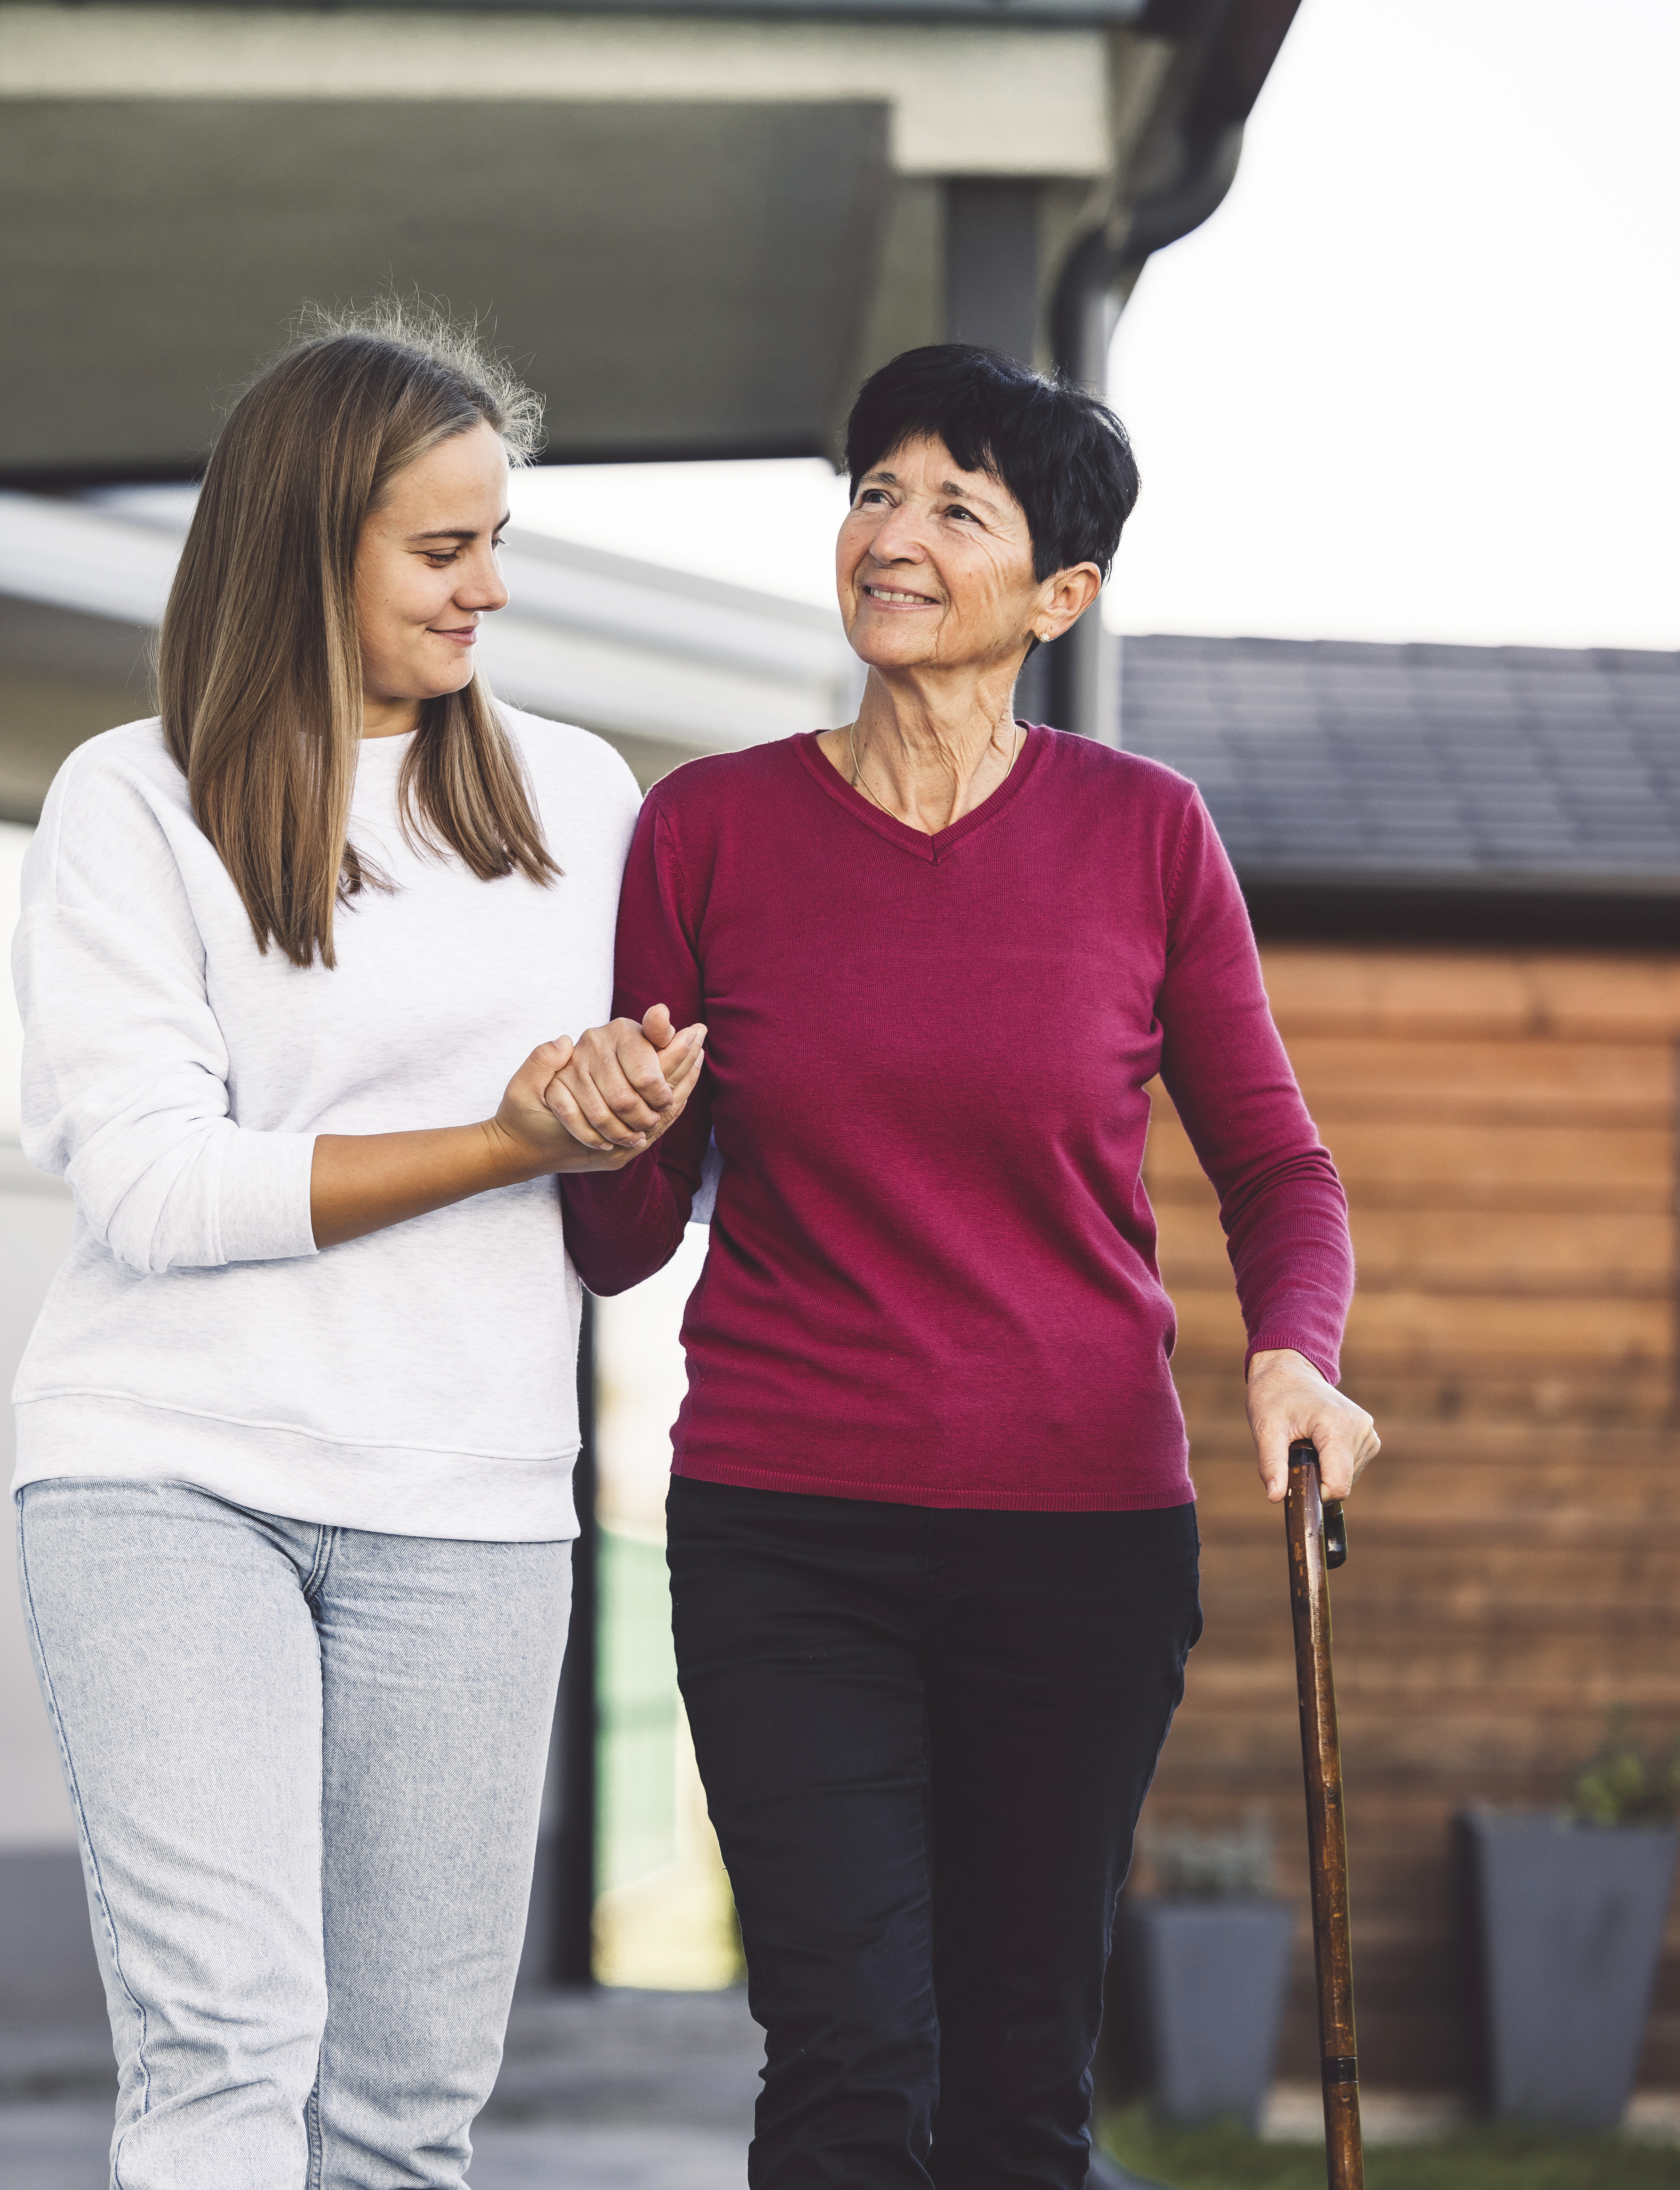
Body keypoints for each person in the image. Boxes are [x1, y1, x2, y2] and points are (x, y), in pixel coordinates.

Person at [560, 342, 1379, 2190]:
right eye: (869, 491)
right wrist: (603, 1125)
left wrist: (1295, 1351)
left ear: (1058, 592)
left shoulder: (1141, 835)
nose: (890, 534)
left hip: (1077, 1540)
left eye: (952, 505)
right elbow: (620, 1242)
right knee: (847, 2058)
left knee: (1018, 2085)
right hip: (784, 1530)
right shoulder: (705, 831)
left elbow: (1275, 1165)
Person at [6, 311, 698, 2190]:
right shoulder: (133, 800)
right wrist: (504, 1135)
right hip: (168, 1476)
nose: (488, 589)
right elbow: (154, 1184)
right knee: (228, 2044)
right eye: (440, 547)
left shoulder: (577, 799)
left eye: (499, 541)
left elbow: (638, 1170)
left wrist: (636, 1108)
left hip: (470, 1504)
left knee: (402, 2105)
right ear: (307, 543)